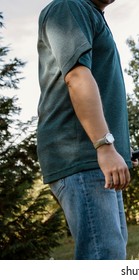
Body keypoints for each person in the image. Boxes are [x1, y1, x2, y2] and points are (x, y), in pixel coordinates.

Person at [37, 0, 133, 259]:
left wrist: (118, 150)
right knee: (104, 258)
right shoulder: (70, 6)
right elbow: (77, 78)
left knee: (112, 255)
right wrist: (104, 145)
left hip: (96, 158)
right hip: (83, 154)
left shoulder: (93, 13)